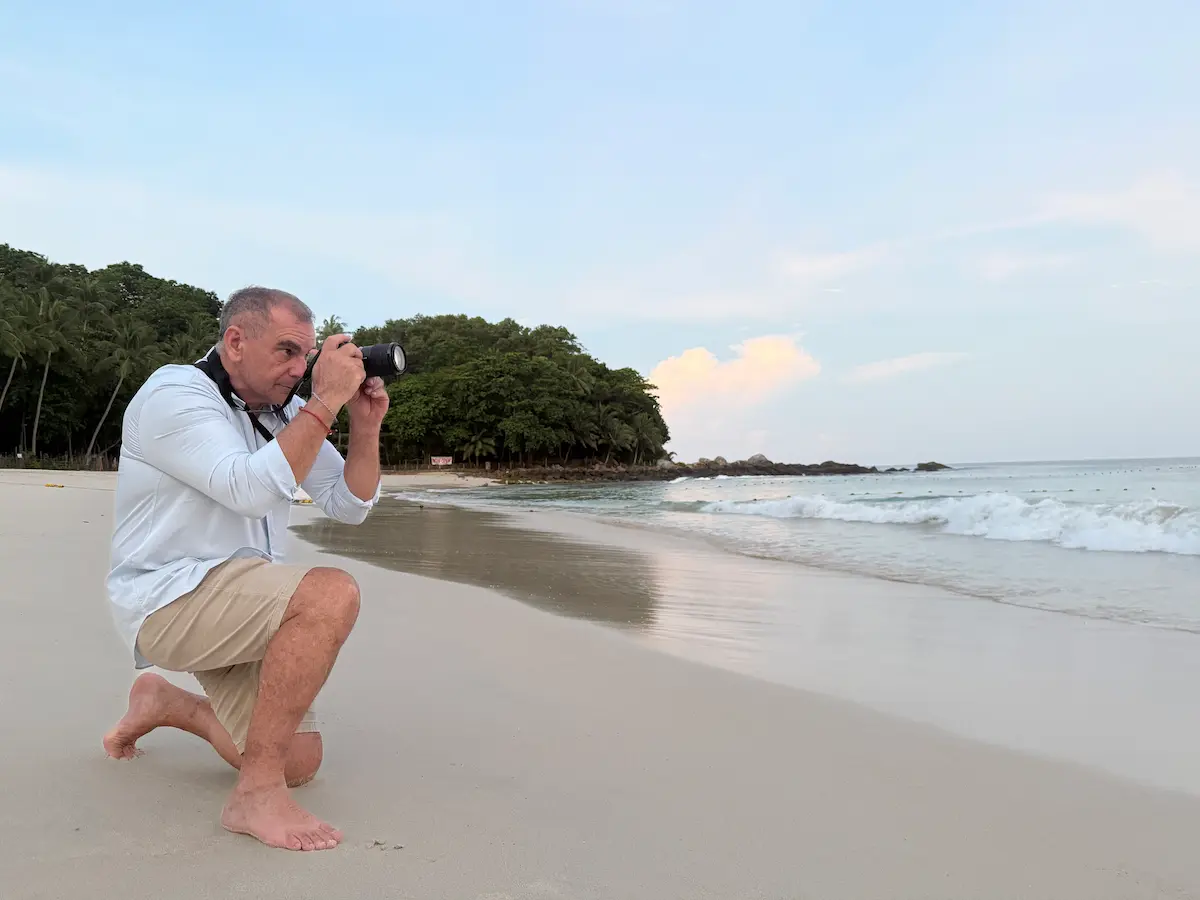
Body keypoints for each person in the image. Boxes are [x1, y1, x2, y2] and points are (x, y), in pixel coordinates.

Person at [101, 286, 388, 852]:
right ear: (235, 341)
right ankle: (255, 796)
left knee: (300, 760)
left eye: (306, 356)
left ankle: (166, 703)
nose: (298, 368)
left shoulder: (279, 412)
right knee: (331, 594)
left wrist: (365, 425)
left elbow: (348, 504)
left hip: (240, 600)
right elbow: (247, 489)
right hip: (169, 598)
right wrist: (324, 402)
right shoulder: (176, 395)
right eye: (286, 350)